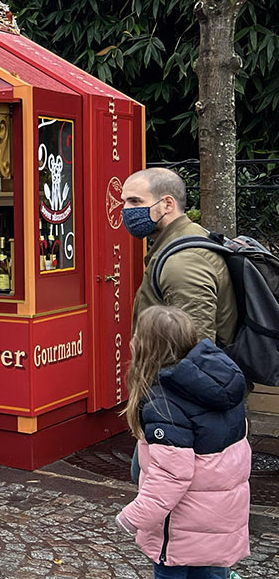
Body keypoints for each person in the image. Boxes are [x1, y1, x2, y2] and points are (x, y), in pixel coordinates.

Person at [116, 305, 250, 579]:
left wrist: (132, 518)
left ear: (144, 347)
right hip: (218, 520)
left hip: (181, 529)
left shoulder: (163, 403)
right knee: (213, 572)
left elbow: (170, 477)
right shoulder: (221, 383)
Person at [123, 168, 236, 347]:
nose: (126, 210)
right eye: (124, 202)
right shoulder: (187, 237)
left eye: (135, 202)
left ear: (168, 204)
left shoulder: (184, 261)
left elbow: (196, 350)